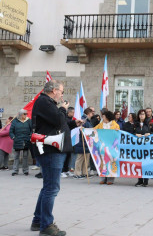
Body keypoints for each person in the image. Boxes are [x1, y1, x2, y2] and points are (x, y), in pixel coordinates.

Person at [31, 80, 81, 235]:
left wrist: (73, 123)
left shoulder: (47, 103)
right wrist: (63, 109)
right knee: (52, 188)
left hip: (53, 148)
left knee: (47, 187)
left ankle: (38, 221)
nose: (62, 94)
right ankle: (46, 226)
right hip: (51, 150)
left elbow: (59, 124)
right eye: (61, 91)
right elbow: (58, 120)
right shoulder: (44, 102)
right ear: (54, 90)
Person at [94, 111, 120, 185]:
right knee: (103, 162)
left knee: (111, 161)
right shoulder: (100, 125)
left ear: (108, 117)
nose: (103, 118)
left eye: (104, 116)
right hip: (102, 146)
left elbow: (117, 135)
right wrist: (84, 129)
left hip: (111, 146)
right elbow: (93, 130)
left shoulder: (115, 125)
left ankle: (110, 179)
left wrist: (117, 131)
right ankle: (103, 177)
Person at [134, 109, 153, 187]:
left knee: (146, 163)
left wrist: (150, 133)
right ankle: (140, 180)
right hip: (137, 147)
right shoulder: (135, 124)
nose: (141, 115)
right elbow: (129, 133)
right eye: (140, 114)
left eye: (143, 114)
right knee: (138, 163)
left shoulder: (150, 124)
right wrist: (135, 134)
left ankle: (145, 180)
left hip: (147, 147)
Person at [9, 109, 32, 176]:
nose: (26, 115)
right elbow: (11, 131)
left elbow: (31, 130)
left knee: (25, 156)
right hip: (17, 141)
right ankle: (15, 170)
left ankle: (25, 170)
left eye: (26, 114)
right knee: (16, 156)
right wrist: (13, 137)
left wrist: (30, 137)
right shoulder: (15, 121)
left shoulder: (28, 121)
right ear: (20, 115)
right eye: (24, 114)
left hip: (26, 141)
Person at [73, 107, 94, 179]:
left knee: (86, 159)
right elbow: (79, 129)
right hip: (81, 142)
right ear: (88, 113)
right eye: (92, 113)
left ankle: (85, 172)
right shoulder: (83, 120)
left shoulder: (88, 121)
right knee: (80, 158)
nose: (92, 114)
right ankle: (77, 173)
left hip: (86, 143)